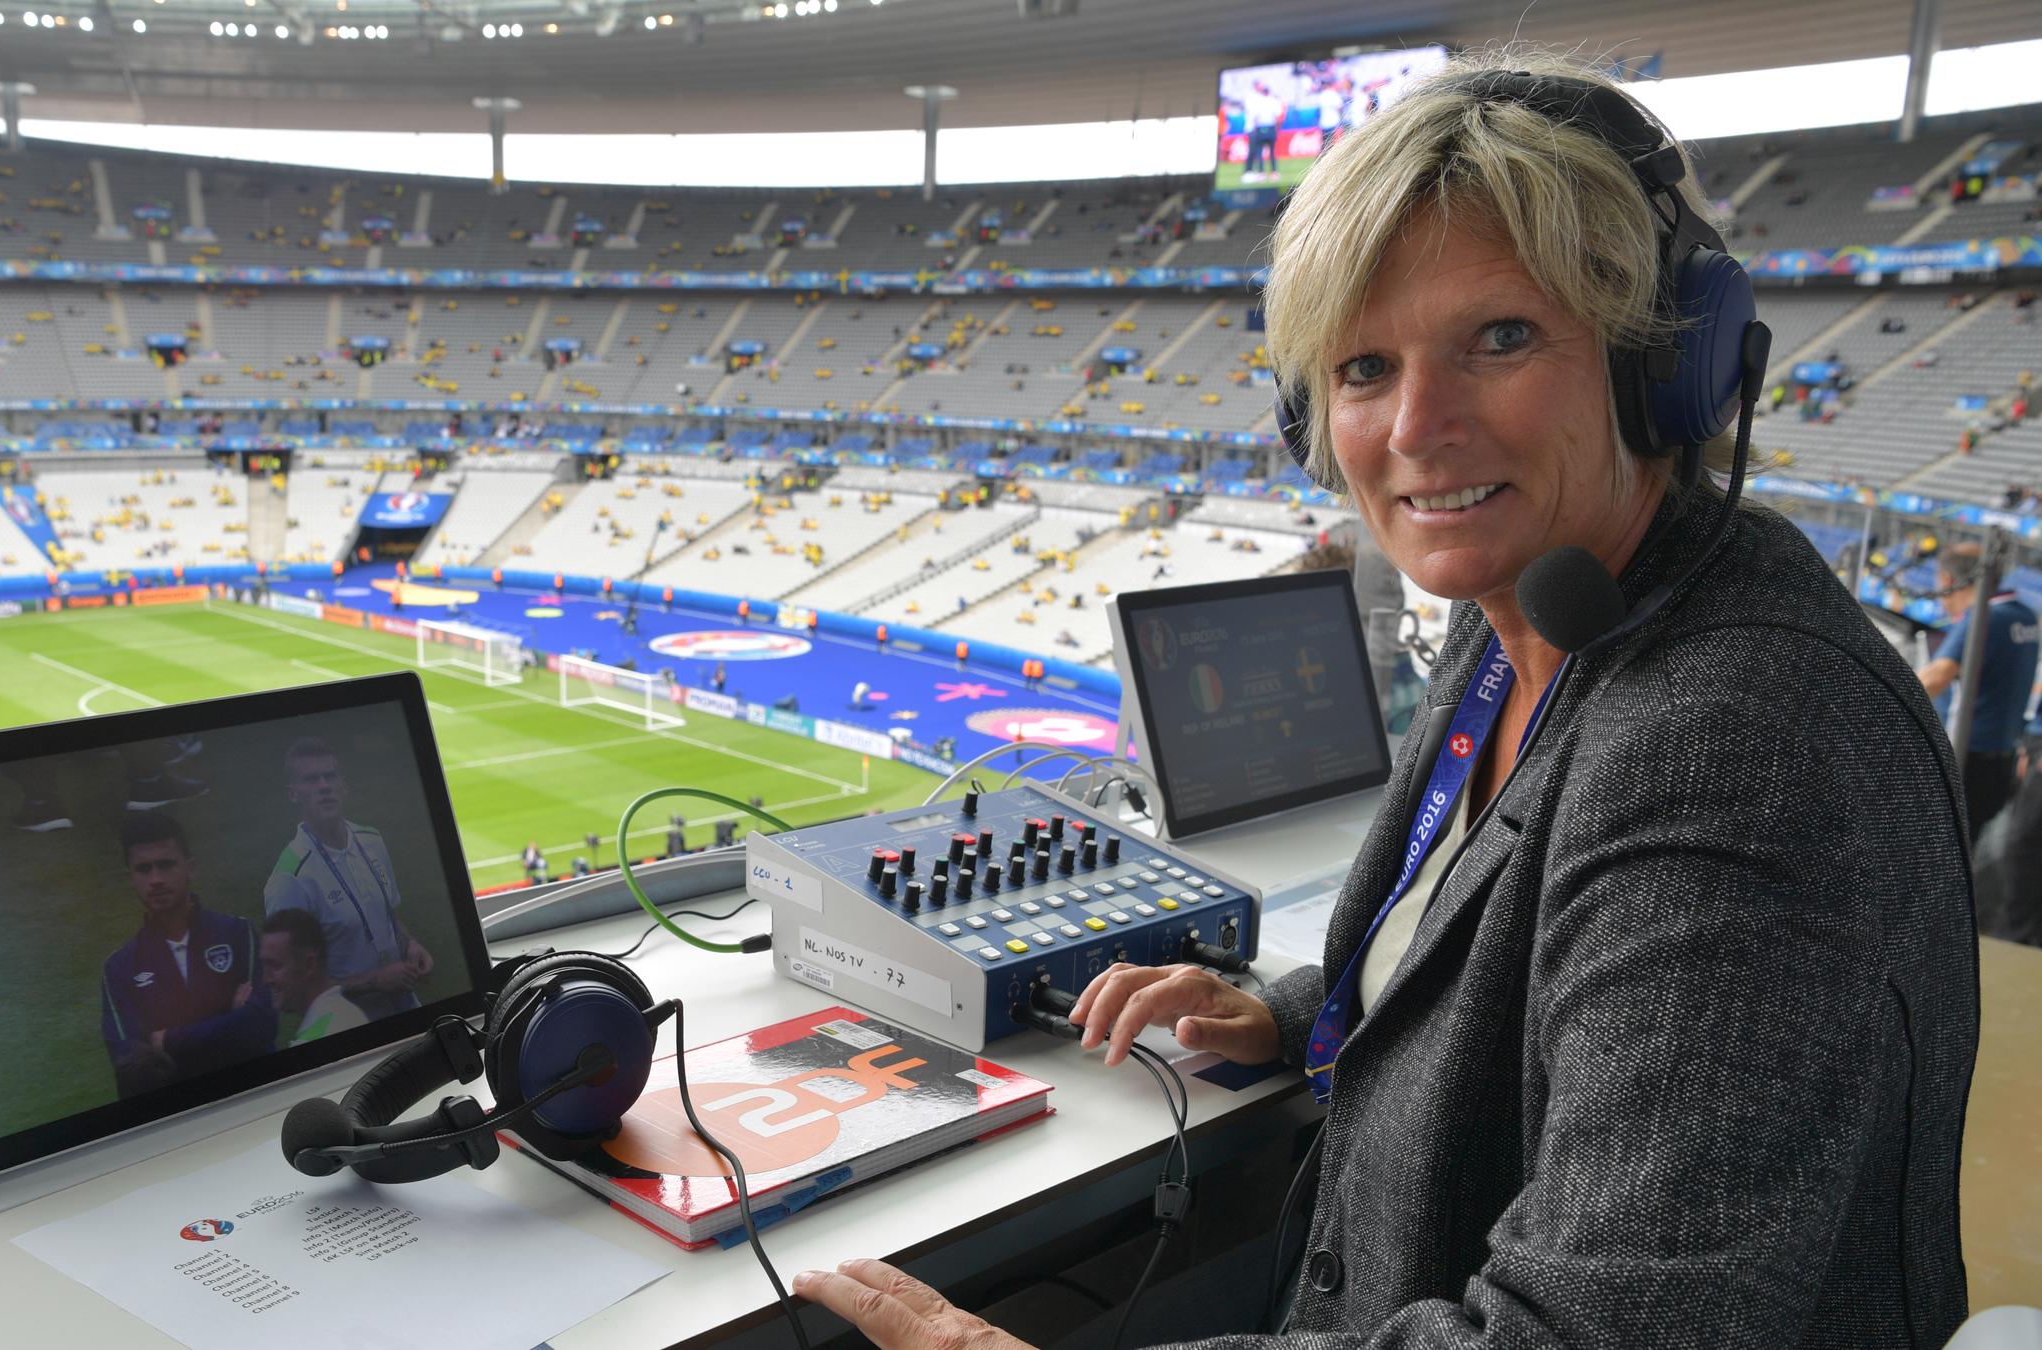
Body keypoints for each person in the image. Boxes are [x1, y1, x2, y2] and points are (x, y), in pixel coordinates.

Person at [795, 54, 1975, 1350]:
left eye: (1502, 337)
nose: (1418, 423)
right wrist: (1300, 1011)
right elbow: (1503, 959)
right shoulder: (1529, 606)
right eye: (1363, 366)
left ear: (1666, 363)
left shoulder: (1739, 735)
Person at [100, 813, 277, 1098]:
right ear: (131, 877)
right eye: (144, 869)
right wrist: (230, 1022)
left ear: (189, 867)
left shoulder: (239, 934)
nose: (155, 879)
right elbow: (135, 1070)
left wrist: (168, 1040)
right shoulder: (118, 969)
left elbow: (263, 1024)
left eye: (166, 865)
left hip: (256, 1096)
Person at [264, 737, 433, 1022]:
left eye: (330, 776)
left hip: (404, 1004)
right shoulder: (289, 878)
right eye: (311, 779)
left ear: (343, 784)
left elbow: (388, 915)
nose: (324, 786)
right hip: (344, 1025)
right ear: (293, 794)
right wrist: (376, 981)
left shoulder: (372, 840)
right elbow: (293, 987)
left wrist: (411, 945)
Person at [1918, 542, 2041, 841]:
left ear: (1948, 579)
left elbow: (1935, 678)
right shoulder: (2024, 616)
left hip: (1964, 759)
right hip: (2002, 758)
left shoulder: (1983, 618)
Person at [258, 908, 370, 1046]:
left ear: (309, 965)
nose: (266, 979)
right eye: (264, 965)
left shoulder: (314, 1039)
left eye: (276, 966)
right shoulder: (346, 1012)